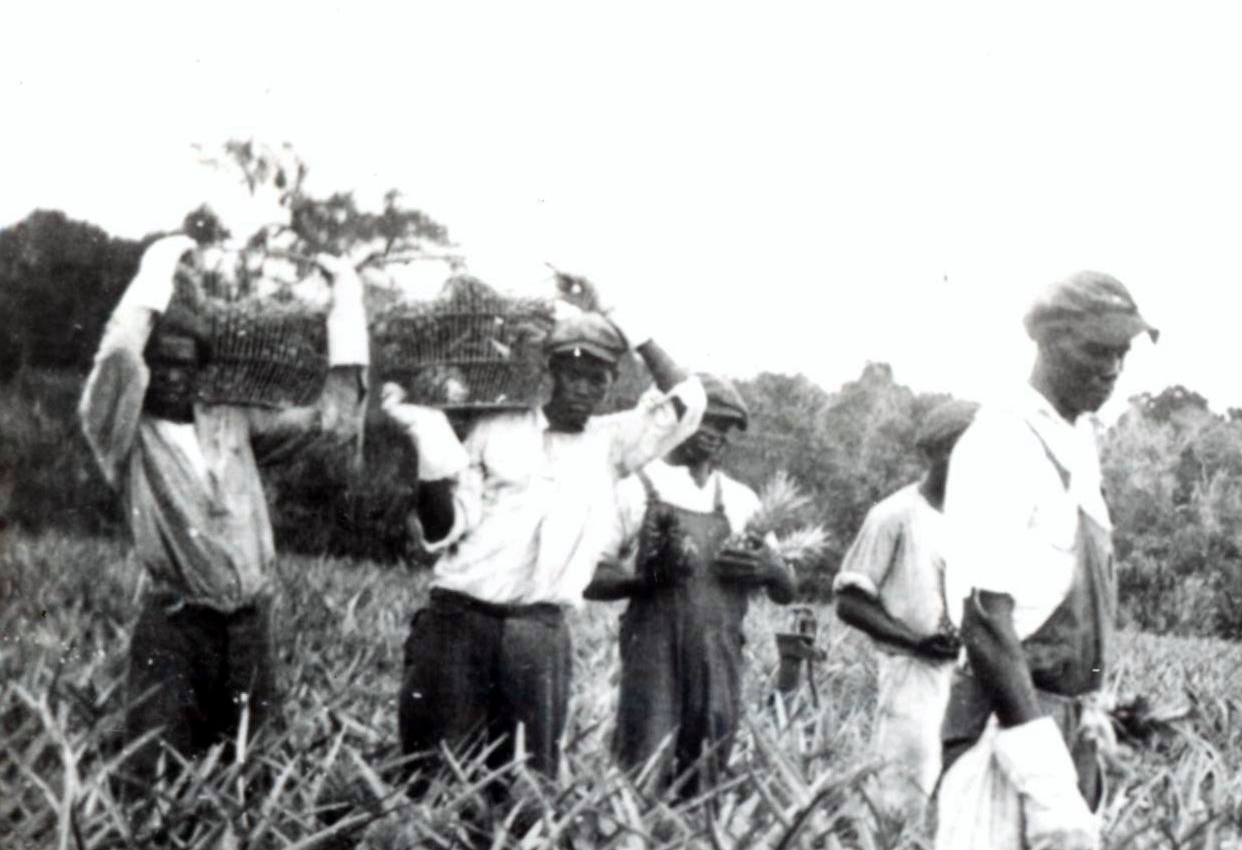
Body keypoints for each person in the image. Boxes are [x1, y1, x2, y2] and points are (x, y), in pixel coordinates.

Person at [909, 272, 1152, 850]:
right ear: (1046, 341)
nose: (1110, 370)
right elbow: (985, 618)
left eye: (1121, 355)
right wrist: (1045, 773)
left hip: (1065, 721)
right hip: (1006, 728)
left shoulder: (1076, 446)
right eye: (1094, 351)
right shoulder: (1000, 442)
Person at [385, 291, 707, 781]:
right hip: (458, 622)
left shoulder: (610, 443)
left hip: (539, 633)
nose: (584, 389)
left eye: (596, 379)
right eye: (573, 374)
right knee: (432, 776)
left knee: (526, 785)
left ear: (609, 386)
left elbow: (689, 401)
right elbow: (444, 527)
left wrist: (616, 313)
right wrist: (430, 452)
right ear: (550, 374)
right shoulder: (495, 428)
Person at [77, 230, 370, 759]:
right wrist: (155, 271)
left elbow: (333, 420)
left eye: (185, 365)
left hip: (248, 627)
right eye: (161, 362)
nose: (171, 376)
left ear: (201, 371)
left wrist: (346, 308)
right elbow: (118, 355)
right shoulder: (123, 433)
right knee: (157, 769)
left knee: (249, 767)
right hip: (175, 626)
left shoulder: (230, 422)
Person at [591, 380, 796, 798]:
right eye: (705, 420)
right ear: (680, 420)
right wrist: (640, 579)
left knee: (707, 772)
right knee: (643, 771)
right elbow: (587, 574)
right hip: (652, 657)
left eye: (725, 427)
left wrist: (773, 568)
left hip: (719, 658)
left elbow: (786, 591)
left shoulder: (740, 501)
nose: (714, 434)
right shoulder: (635, 488)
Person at [834, 399, 978, 828]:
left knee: (953, 794)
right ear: (937, 452)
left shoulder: (976, 521)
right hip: (910, 672)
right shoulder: (895, 515)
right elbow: (850, 600)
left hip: (964, 675)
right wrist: (914, 640)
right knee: (899, 791)